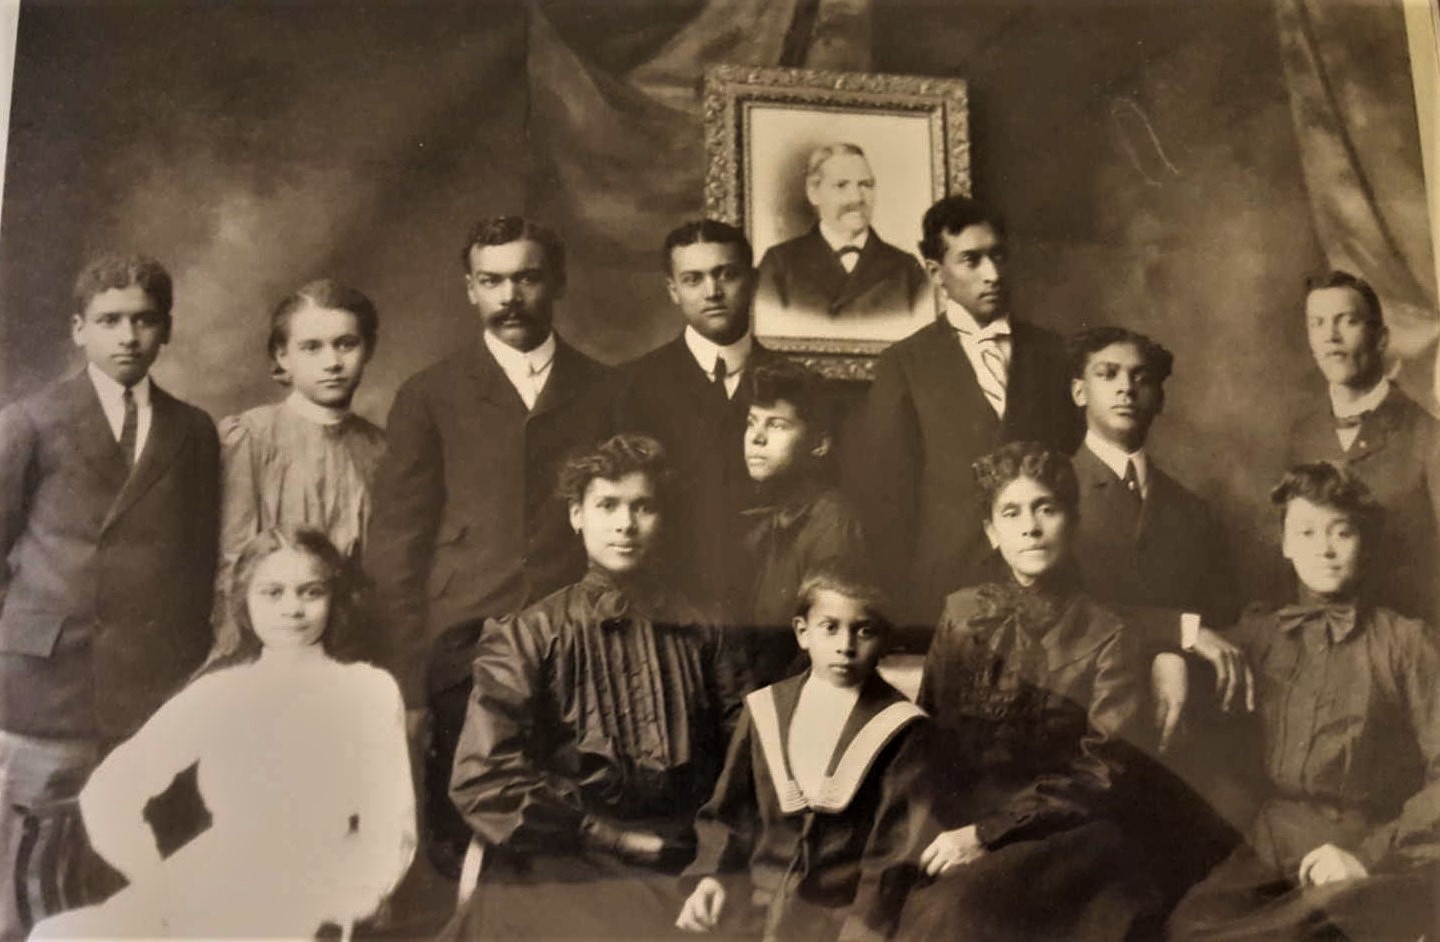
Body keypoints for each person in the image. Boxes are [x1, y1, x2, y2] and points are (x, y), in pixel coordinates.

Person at [365, 216, 613, 872]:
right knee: (465, 840)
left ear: (556, 282)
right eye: (492, 281)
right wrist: (408, 679)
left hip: (578, 644)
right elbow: (396, 545)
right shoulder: (429, 394)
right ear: (470, 289)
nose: (510, 297)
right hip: (462, 646)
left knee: (571, 837)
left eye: (526, 278)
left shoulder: (607, 389)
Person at [29, 527, 415, 939]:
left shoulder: (367, 691)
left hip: (319, 884)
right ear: (245, 602)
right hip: (218, 871)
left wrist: (356, 899)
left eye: (311, 592)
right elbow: (111, 790)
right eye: (272, 593)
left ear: (334, 600)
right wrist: (152, 880)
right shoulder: (221, 692)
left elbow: (391, 826)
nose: (293, 609)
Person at [442, 434, 748, 940]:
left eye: (643, 506)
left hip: (686, 856)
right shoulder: (528, 635)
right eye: (607, 505)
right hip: (565, 856)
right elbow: (484, 777)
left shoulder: (707, 630)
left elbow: (747, 764)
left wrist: (714, 865)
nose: (626, 524)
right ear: (576, 515)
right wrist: (609, 837)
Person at [0, 253, 220, 939]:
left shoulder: (192, 430)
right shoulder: (30, 421)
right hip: (48, 682)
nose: (128, 336)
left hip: (150, 683)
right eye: (109, 320)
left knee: (131, 852)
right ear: (78, 330)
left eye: (144, 320)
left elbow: (198, 559)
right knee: (32, 858)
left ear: (167, 329)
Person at [895, 442, 1160, 941]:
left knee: (955, 911)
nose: (1030, 528)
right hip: (962, 816)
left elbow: (1102, 774)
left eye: (1046, 509)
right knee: (882, 888)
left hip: (1066, 832)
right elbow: (927, 738)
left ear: (1071, 522)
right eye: (1011, 513)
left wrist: (985, 835)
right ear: (992, 533)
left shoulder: (1109, 634)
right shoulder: (962, 614)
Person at [1168, 463, 1440, 940]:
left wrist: (1369, 856)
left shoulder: (1405, 643)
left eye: (1342, 532)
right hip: (1275, 839)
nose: (1325, 549)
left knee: (1300, 932)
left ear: (1365, 544)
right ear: (1285, 544)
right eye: (1307, 532)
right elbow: (1157, 644)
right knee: (1189, 926)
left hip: (1369, 844)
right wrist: (1173, 649)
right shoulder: (1265, 632)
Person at [1068, 326, 1252, 909]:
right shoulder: (1051, 496)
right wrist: (1175, 635)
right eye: (1108, 374)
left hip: (1181, 741)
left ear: (1160, 397)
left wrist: (1178, 651)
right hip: (1082, 738)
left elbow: (1224, 616)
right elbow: (1069, 610)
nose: (1126, 388)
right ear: (1079, 391)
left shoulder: (1191, 510)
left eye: (1141, 378)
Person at [846, 197, 1082, 627]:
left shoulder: (1052, 352)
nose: (992, 274)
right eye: (971, 260)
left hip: (1046, 581)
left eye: (998, 256)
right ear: (936, 272)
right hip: (945, 585)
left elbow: (1072, 463)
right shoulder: (906, 362)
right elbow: (888, 495)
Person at [678, 565, 929, 941]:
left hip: (841, 917)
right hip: (757, 906)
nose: (846, 645)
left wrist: (865, 927)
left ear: (884, 640)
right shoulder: (765, 709)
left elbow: (893, 850)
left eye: (864, 631)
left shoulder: (901, 727)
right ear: (802, 632)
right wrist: (712, 878)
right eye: (830, 627)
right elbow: (730, 812)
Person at [211, 279, 386, 661]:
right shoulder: (252, 438)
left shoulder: (381, 450)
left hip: (356, 650)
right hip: (264, 647)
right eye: (311, 347)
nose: (332, 362)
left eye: (346, 344)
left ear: (368, 349)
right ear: (283, 356)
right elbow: (233, 565)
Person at [615, 219, 784, 608]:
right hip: (665, 602)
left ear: (753, 280)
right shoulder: (629, 386)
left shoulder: (797, 384)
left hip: (768, 603)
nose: (713, 292)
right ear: (673, 290)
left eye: (727, 274)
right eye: (693, 279)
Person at [1287, 270, 1440, 624]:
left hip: (1408, 640)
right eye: (1318, 324)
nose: (1331, 336)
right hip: (1320, 640)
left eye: (1348, 321)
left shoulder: (1428, 436)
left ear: (1381, 338)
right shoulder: (1302, 435)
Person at [736, 359, 866, 685]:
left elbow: (824, 650)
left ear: (819, 444)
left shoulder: (832, 522)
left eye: (777, 425)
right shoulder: (764, 523)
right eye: (752, 423)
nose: (756, 438)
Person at [755, 143, 930, 326]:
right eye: (841, 185)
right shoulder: (779, 266)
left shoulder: (907, 270)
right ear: (813, 192)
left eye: (865, 185)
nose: (856, 198)